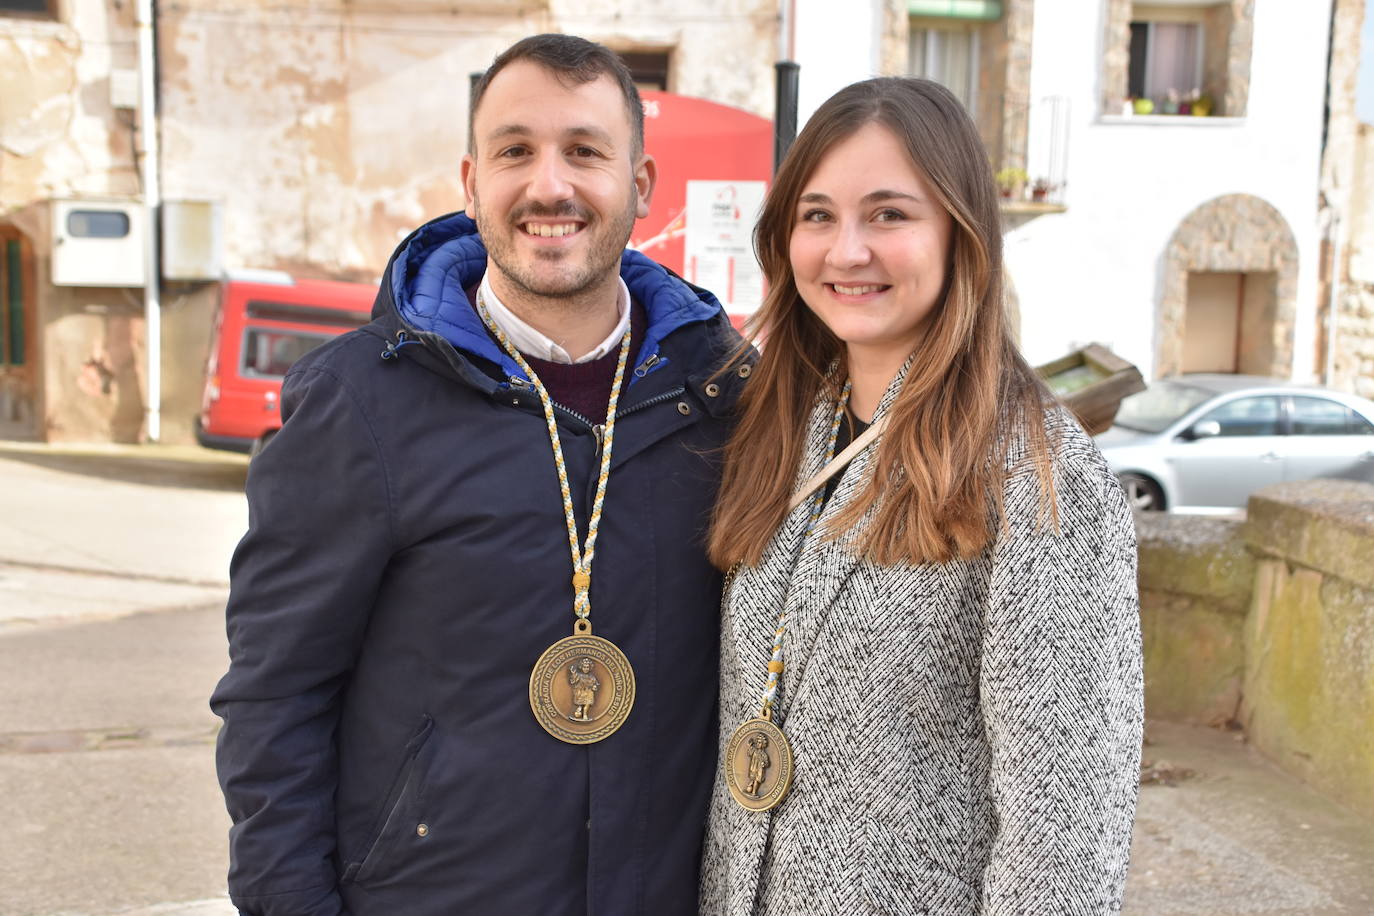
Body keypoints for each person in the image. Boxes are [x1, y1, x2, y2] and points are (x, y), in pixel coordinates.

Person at [211, 34, 746, 916]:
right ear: (470, 183)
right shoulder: (360, 401)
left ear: (641, 187)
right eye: (514, 152)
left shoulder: (721, 397)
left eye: (584, 150)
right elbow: (274, 700)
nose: (549, 186)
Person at [698, 77, 1143, 914]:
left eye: (890, 214)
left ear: (960, 234)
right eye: (818, 215)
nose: (846, 250)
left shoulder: (1041, 475)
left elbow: (1065, 838)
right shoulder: (779, 430)